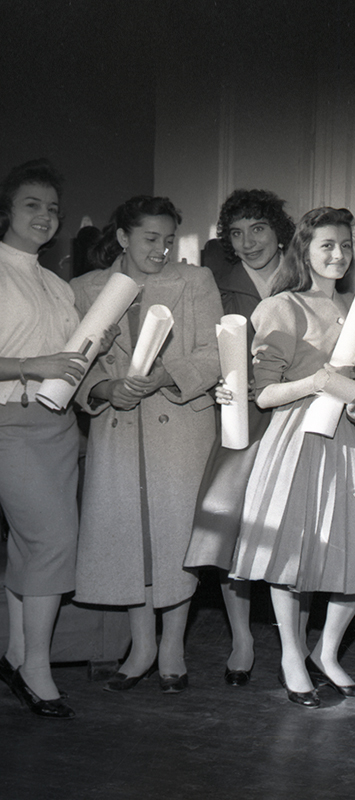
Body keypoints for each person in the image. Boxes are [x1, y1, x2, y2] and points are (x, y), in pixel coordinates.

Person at [221, 207, 355, 708]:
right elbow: (263, 394)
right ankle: (292, 658)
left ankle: (327, 652)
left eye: (345, 245)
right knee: (291, 554)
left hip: (347, 441)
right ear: (305, 250)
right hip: (296, 439)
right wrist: (316, 382)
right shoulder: (282, 307)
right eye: (327, 245)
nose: (338, 254)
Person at [72, 196, 222, 695]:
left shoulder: (195, 281)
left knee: (175, 537)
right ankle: (142, 648)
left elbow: (216, 352)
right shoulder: (85, 289)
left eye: (168, 240)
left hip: (179, 426)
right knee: (130, 536)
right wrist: (105, 389)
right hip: (118, 429)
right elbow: (73, 365)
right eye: (150, 239)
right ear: (122, 237)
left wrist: (164, 377)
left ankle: (173, 646)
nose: (161, 249)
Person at [184, 189, 295, 686]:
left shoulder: (303, 279)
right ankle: (242, 639)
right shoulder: (218, 288)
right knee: (233, 527)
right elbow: (204, 352)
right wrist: (217, 383)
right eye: (236, 233)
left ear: (279, 232)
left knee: (292, 529)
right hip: (241, 420)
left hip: (293, 414)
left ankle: (295, 643)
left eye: (258, 229)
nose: (248, 242)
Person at [0, 159, 88, 719]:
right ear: (6, 210)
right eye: (31, 204)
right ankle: (36, 667)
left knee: (30, 546)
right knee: (53, 540)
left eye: (52, 208)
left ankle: (15, 655)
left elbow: (69, 362)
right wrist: (33, 364)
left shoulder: (56, 285)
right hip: (9, 423)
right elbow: (36, 360)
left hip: (57, 426)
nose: (45, 216)